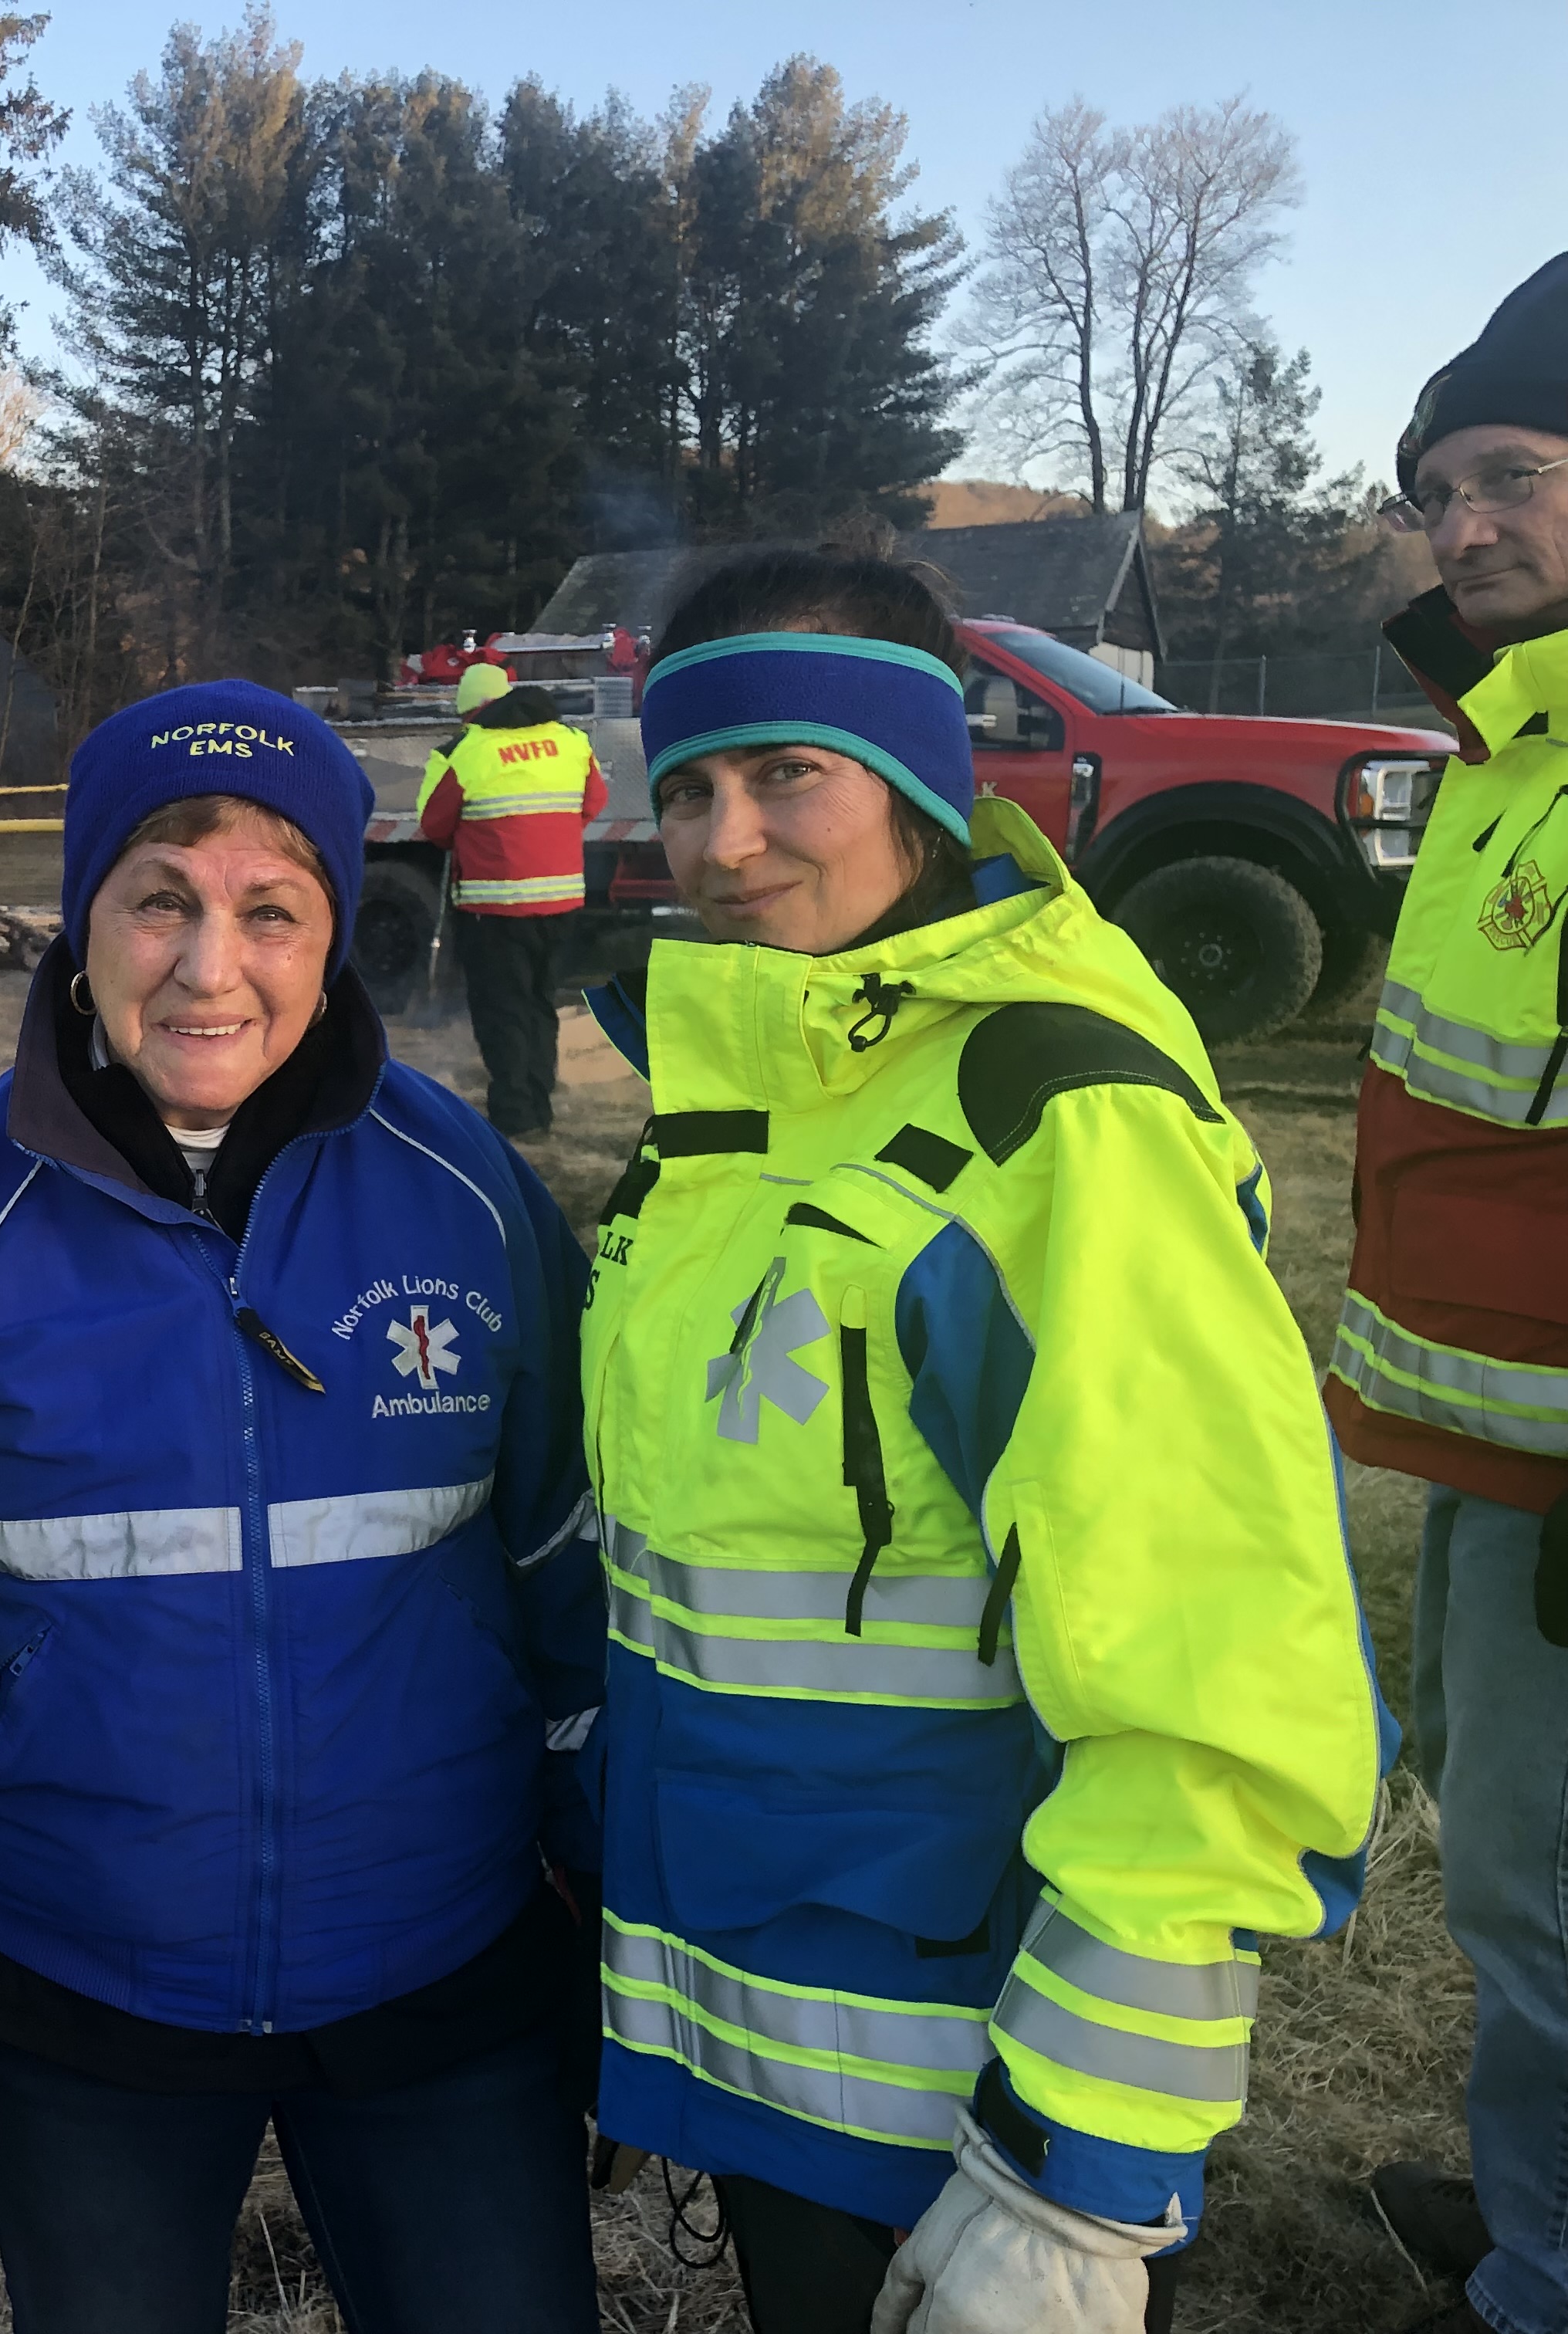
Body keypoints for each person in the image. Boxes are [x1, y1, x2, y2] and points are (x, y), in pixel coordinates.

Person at [0, 678, 607, 2332]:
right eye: (159, 902)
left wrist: (621, 1885)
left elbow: (574, 1563)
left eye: (271, 911)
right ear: (82, 924)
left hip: (444, 1976)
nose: (211, 968)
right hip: (73, 1999)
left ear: (337, 932)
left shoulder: (465, 1193)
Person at [577, 553, 1387, 2334]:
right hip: (770, 2031)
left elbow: (1212, 1665)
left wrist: (1075, 2183)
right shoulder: (746, 1092)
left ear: (924, 788)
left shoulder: (1053, 1118)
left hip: (964, 2096)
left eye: (788, 773)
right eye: (691, 786)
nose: (722, 843)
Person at [1338, 250, 1568, 2334]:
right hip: (1497, 1457)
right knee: (1520, 1885)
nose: (1464, 521)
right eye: (1439, 487)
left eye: (1511, 470)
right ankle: (1536, 2202)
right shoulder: (1510, 749)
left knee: (1548, 1894)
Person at [416, 658, 607, 1137]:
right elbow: (593, 803)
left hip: (493, 908)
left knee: (502, 1009)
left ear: (470, 711)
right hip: (561, 902)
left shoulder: (467, 751)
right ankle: (540, 1103)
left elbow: (434, 826)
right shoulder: (570, 741)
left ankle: (514, 1118)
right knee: (541, 1003)